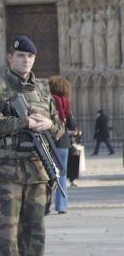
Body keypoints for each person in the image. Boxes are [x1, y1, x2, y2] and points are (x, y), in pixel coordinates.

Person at [0, 35, 64, 256]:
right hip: (8, 172)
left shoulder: (42, 91)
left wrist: (48, 124)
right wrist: (23, 122)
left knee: (34, 233)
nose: (25, 60)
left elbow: (60, 128)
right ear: (10, 58)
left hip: (38, 172)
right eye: (20, 56)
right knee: (6, 232)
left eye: (29, 56)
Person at [49, 76, 76, 214]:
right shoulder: (66, 102)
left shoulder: (46, 100)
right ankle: (61, 206)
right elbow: (72, 124)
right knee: (62, 174)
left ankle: (44, 205)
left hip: (47, 140)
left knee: (45, 173)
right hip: (62, 141)